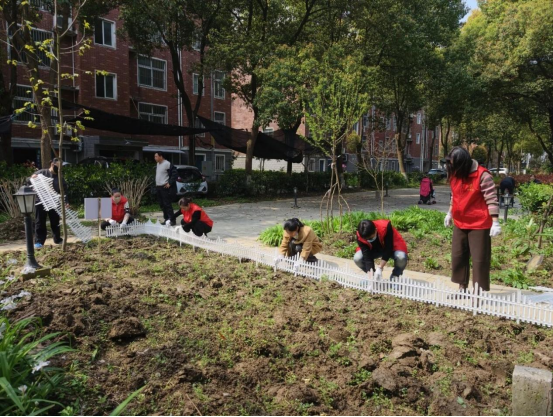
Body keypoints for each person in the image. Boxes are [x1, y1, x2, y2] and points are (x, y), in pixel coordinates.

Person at [444, 147, 501, 294]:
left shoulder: (482, 175)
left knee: (479, 259)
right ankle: (462, 288)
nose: (452, 168)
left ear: (463, 163)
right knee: (458, 255)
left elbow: (491, 199)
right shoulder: (455, 173)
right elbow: (454, 196)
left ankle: (478, 292)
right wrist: (449, 213)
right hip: (460, 222)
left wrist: (495, 221)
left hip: (479, 223)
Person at [30, 158, 68, 249]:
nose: (60, 168)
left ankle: (57, 239)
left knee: (55, 221)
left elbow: (64, 190)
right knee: (40, 222)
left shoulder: (60, 177)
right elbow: (29, 180)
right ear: (52, 164)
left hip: (55, 202)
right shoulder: (42, 172)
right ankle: (39, 241)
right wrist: (32, 178)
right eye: (58, 166)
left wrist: (66, 201)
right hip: (40, 202)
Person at [154, 152, 178, 226]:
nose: (155, 158)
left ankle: (172, 220)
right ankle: (167, 219)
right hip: (158, 187)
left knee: (167, 204)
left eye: (156, 156)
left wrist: (170, 183)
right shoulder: (158, 164)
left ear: (161, 156)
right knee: (162, 204)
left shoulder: (167, 164)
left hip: (164, 187)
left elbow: (175, 174)